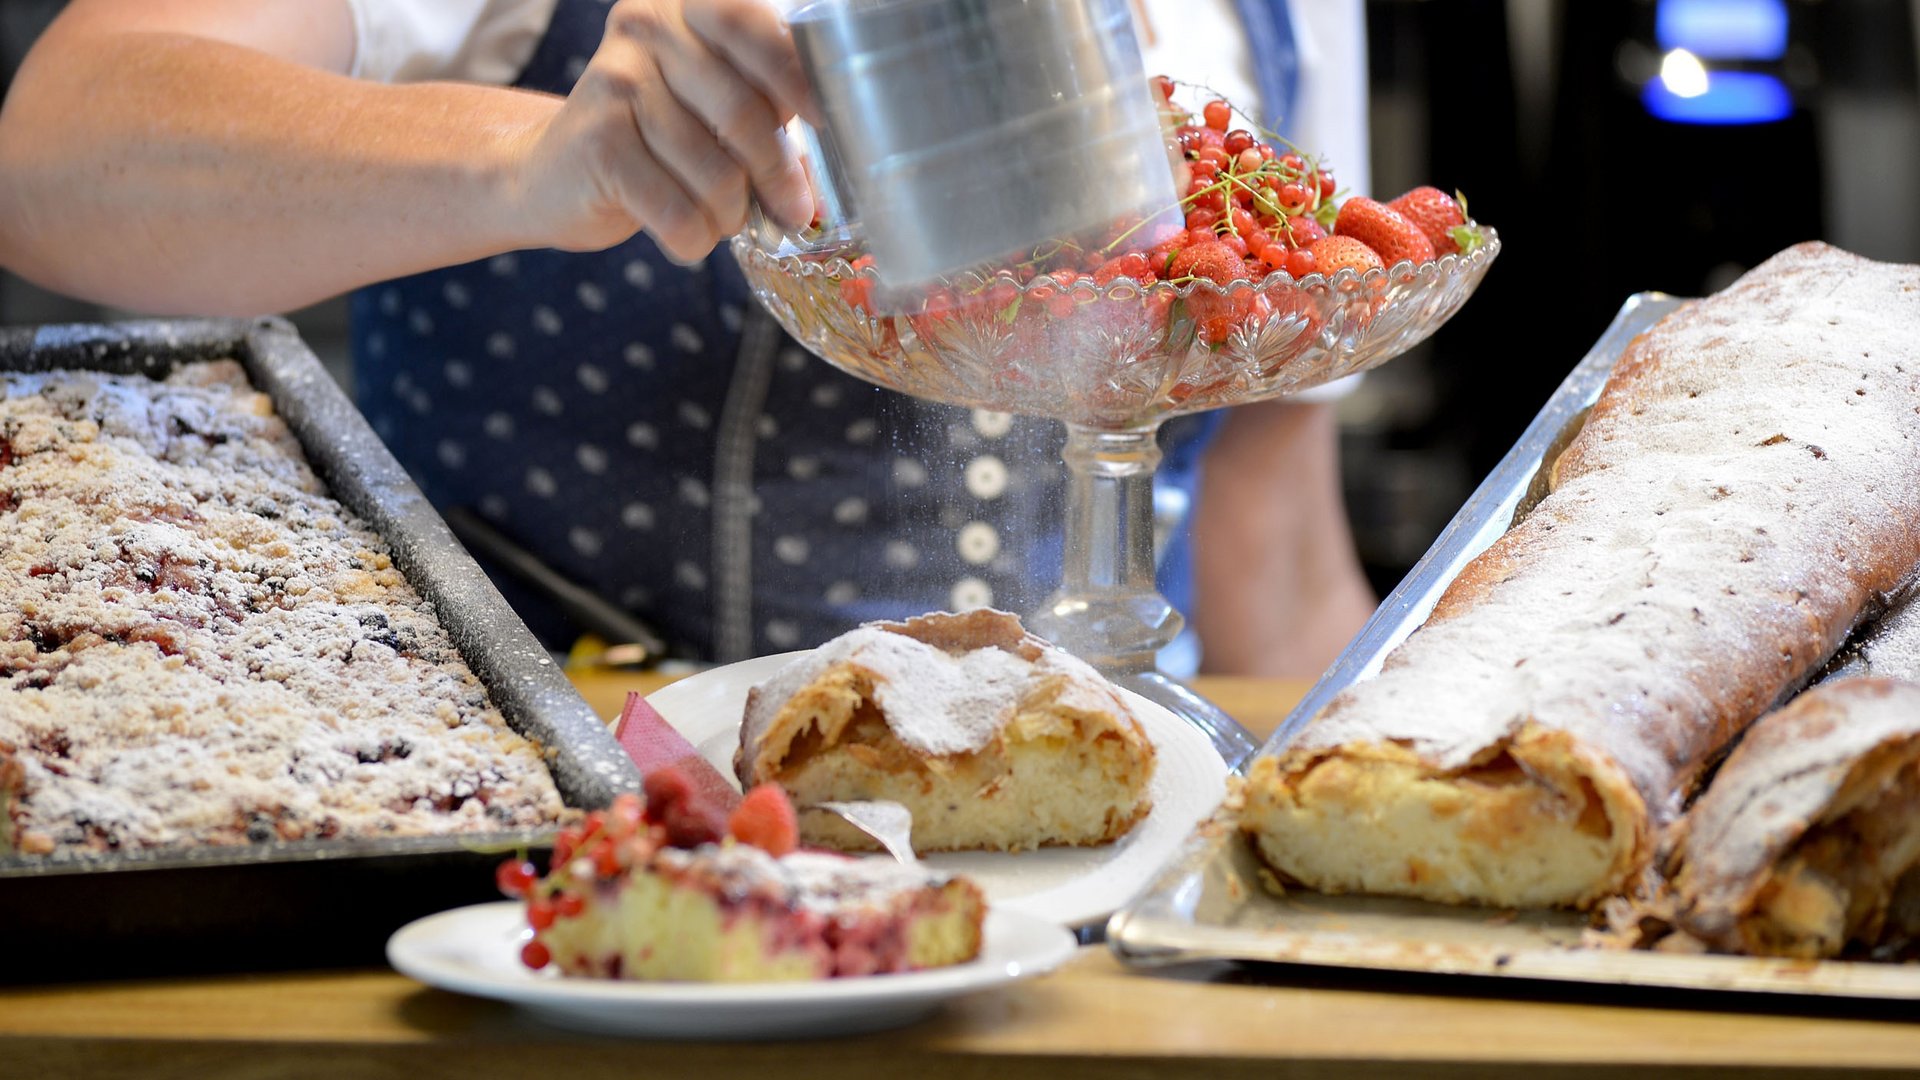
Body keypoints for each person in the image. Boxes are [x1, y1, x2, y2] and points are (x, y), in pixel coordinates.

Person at [0, 0, 1375, 677]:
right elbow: (53, 159)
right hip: (575, 840)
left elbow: (1278, 549)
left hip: (1090, 858)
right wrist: (537, 164)